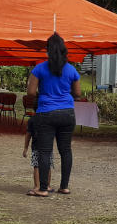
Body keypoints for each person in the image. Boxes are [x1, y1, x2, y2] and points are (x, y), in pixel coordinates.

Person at [26, 33, 80, 197]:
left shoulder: (40, 68)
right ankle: (64, 186)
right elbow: (77, 93)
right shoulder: (71, 69)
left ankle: (43, 188)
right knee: (66, 150)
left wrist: (44, 95)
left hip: (46, 113)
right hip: (67, 113)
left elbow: (30, 92)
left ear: (47, 50)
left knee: (44, 151)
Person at [23, 112, 54, 195]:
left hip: (36, 146)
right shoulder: (51, 118)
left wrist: (25, 148)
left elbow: (28, 134)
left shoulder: (32, 119)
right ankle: (47, 185)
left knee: (36, 166)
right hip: (48, 147)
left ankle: (37, 186)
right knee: (48, 164)